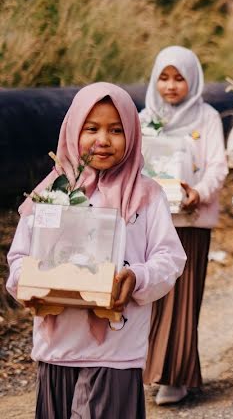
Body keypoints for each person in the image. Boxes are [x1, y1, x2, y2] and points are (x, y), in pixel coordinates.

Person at [7, 83, 186, 419]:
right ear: (73, 130)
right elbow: (20, 257)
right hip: (58, 343)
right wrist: (26, 284)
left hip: (115, 349)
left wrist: (136, 277)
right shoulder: (50, 192)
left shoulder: (145, 195)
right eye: (92, 128)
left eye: (116, 130)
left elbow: (170, 258)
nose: (103, 139)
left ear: (132, 134)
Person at [141, 46, 228, 405]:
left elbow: (217, 166)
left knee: (182, 298)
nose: (171, 85)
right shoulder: (144, 117)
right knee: (151, 298)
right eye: (164, 77)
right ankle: (153, 370)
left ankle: (174, 376)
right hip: (150, 222)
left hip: (190, 221)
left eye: (179, 78)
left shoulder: (206, 117)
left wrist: (200, 193)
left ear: (193, 80)